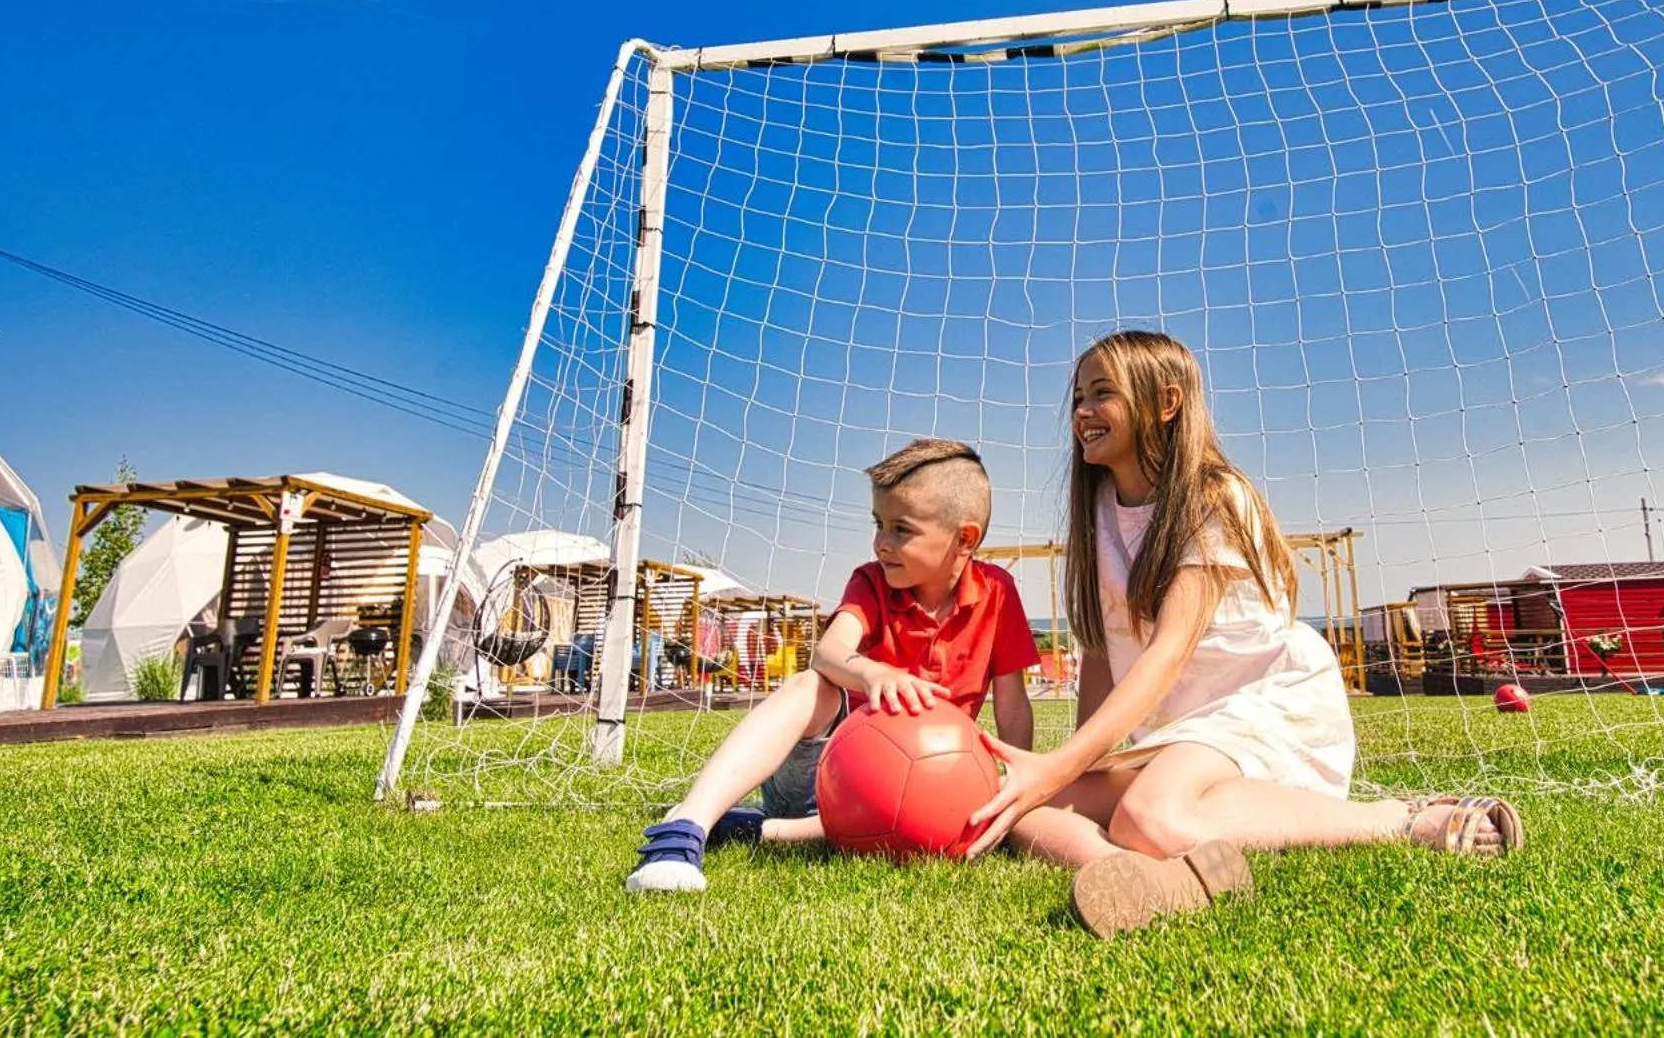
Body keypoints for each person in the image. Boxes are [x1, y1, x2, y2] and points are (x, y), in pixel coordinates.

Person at [966, 331, 1525, 937]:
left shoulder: (1213, 497)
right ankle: (1142, 878)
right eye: (1078, 397)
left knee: (1148, 816)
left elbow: (1166, 652)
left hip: (1256, 706)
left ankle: (1406, 819)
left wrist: (1056, 764)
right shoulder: (1096, 507)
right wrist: (1076, 766)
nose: (1082, 411)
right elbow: (1103, 651)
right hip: (1176, 736)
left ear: (1166, 402)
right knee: (1025, 809)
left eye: (1103, 394)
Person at [627, 438, 1040, 892]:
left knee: (917, 830)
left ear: (965, 539)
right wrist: (873, 672)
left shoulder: (998, 593)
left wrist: (1011, 786)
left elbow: (1013, 703)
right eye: (878, 524)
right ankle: (687, 825)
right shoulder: (870, 582)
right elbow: (828, 652)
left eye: (900, 529)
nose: (881, 543)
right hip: (826, 775)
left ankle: (757, 830)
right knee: (814, 685)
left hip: (922, 789)